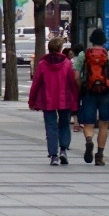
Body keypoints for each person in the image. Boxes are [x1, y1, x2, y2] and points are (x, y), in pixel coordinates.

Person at [73, 28, 109, 165]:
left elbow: (76, 76)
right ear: (104, 41)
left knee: (88, 123)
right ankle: (99, 155)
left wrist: (82, 86)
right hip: (106, 93)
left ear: (91, 41)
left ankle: (89, 140)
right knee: (104, 124)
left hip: (88, 92)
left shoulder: (84, 55)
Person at [29, 36, 78, 165]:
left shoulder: (42, 64)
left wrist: (32, 100)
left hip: (47, 99)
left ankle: (53, 156)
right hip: (64, 99)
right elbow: (72, 82)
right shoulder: (67, 63)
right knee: (64, 125)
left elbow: (36, 83)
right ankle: (63, 149)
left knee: (50, 127)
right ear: (60, 49)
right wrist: (76, 98)